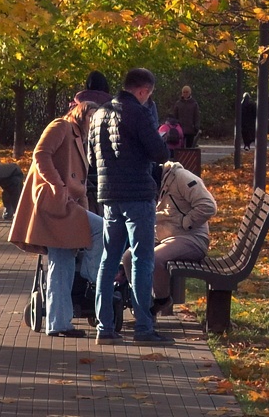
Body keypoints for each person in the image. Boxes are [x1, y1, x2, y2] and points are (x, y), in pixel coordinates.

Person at [90, 68, 173, 345]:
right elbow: (160, 153)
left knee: (108, 259)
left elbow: (92, 158)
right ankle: (143, 328)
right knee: (142, 259)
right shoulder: (137, 112)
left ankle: (105, 327)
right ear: (143, 90)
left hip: (109, 195)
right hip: (137, 194)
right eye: (148, 94)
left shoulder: (99, 114)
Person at [8, 100, 104, 338]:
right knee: (101, 229)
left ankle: (58, 323)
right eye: (92, 117)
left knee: (61, 264)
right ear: (80, 114)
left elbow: (79, 185)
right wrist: (57, 186)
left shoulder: (79, 137)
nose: (94, 123)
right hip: (53, 205)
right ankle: (90, 278)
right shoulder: (61, 126)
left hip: (64, 207)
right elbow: (41, 153)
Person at [123, 160, 217, 313]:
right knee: (128, 257)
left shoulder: (182, 178)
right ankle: (140, 300)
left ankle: (162, 300)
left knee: (155, 258)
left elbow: (208, 205)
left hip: (191, 238)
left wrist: (185, 222)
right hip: (165, 237)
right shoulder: (156, 187)